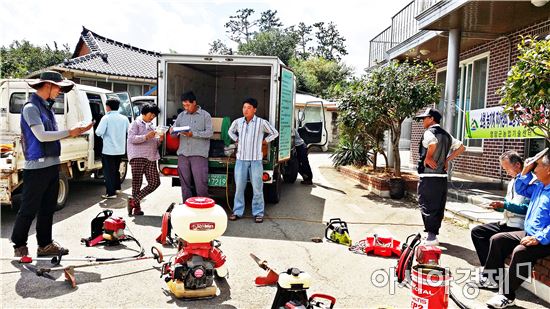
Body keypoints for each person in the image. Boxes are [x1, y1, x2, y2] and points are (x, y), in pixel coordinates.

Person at [11, 71, 93, 257]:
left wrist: (75, 131)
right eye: (58, 88)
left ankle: (45, 245)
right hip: (37, 168)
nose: (60, 91)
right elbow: (41, 136)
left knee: (48, 208)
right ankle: (19, 245)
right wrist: (70, 132)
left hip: (51, 165)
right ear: (47, 85)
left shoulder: (47, 107)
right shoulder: (31, 107)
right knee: (29, 209)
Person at [482, 148, 550, 308]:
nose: (534, 168)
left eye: (537, 165)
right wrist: (525, 171)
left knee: (521, 252)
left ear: (548, 169)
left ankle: (506, 295)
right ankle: (492, 279)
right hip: (530, 232)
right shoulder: (540, 186)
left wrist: (538, 238)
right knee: (497, 239)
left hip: (544, 238)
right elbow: (521, 188)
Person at [470, 150, 529, 288]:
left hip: (518, 225)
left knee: (496, 239)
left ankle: (492, 278)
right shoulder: (513, 181)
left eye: (507, 168)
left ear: (518, 165)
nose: (506, 172)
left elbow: (526, 208)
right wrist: (499, 207)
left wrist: (505, 205)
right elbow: (508, 204)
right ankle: (491, 273)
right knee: (477, 232)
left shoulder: (530, 182)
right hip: (507, 221)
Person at [414, 108, 465, 246]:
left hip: (429, 177)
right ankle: (433, 235)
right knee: (438, 206)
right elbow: (461, 147)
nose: (423, 121)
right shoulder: (447, 135)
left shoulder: (429, 132)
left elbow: (433, 143)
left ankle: (431, 238)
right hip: (442, 177)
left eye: (424, 118)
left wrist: (429, 157)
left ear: (431, 119)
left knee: (427, 204)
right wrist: (447, 159)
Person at [228, 98, 278, 223]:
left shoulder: (261, 122)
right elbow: (230, 131)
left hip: (256, 160)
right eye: (244, 107)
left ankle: (258, 213)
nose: (246, 110)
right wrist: (236, 139)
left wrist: (265, 141)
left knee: (257, 188)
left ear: (255, 110)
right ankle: (237, 211)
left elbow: (274, 133)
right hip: (241, 160)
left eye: (249, 107)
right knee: (239, 187)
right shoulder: (238, 122)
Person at [171, 91, 213, 202]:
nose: (186, 108)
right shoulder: (181, 115)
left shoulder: (205, 115)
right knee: (185, 186)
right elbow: (174, 133)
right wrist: (172, 131)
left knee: (201, 185)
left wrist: (193, 134)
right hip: (183, 154)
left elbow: (209, 133)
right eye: (184, 105)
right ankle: (187, 208)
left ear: (194, 103)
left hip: (198, 155)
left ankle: (203, 210)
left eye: (188, 105)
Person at [126, 103, 163, 216]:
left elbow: (154, 142)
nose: (152, 117)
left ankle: (133, 201)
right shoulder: (135, 123)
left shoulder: (152, 126)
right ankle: (136, 208)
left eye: (154, 115)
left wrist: (160, 140)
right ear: (144, 113)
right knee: (137, 183)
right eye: (151, 114)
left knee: (155, 182)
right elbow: (131, 138)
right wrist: (146, 136)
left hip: (151, 156)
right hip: (137, 156)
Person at [95, 97, 130, 199]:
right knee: (115, 169)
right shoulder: (124, 118)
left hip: (108, 150)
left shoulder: (106, 118)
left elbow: (98, 132)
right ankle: (117, 188)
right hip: (120, 149)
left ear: (107, 107)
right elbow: (129, 131)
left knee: (108, 172)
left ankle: (110, 193)